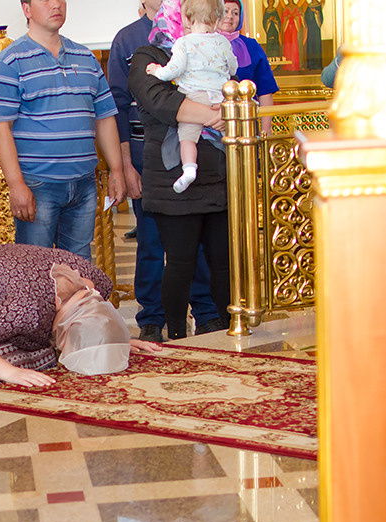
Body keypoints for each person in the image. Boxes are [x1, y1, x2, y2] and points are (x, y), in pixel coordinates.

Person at [108, 0, 219, 343]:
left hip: (198, 148)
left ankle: (206, 312)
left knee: (197, 241)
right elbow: (118, 105)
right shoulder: (130, 40)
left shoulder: (199, 28)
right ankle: (152, 318)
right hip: (148, 153)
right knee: (152, 241)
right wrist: (125, 164)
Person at [0, 0, 126, 262]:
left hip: (83, 183)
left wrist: (117, 170)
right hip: (38, 184)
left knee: (77, 267)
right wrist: (16, 185)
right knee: (36, 268)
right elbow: (0, 128)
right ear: (27, 10)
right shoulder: (8, 62)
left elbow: (105, 117)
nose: (56, 5)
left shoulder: (86, 58)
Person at [0, 244, 161, 404]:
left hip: (2, 287)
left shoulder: (99, 282)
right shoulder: (27, 310)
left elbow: (94, 318)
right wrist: (10, 373)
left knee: (44, 364)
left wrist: (112, 338)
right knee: (11, 379)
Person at [145, 0, 236, 194]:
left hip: (195, 96)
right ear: (217, 20)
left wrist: (157, 70)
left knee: (187, 137)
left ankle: (189, 169)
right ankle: (235, 167)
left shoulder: (184, 42)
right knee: (230, 136)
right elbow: (233, 67)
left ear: (186, 19)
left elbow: (173, 70)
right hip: (220, 97)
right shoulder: (223, 42)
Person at [220, 0, 280, 105]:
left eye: (235, 13)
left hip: (247, 112)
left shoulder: (252, 46)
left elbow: (265, 90)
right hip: (210, 113)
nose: (230, 16)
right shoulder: (202, 43)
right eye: (225, 11)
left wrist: (266, 116)